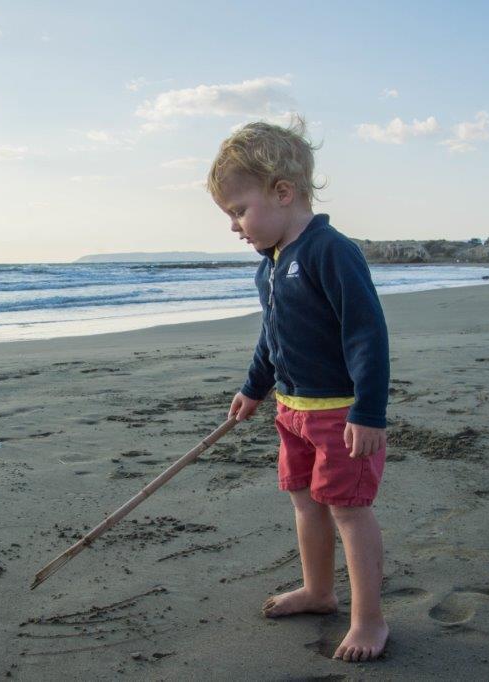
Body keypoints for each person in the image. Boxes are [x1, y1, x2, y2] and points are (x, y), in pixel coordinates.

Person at [207, 119, 390, 662]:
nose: (235, 226)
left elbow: (366, 332)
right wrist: (254, 388)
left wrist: (369, 410)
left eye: (239, 210)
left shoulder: (330, 251)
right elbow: (273, 335)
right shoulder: (270, 266)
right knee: (305, 502)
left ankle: (369, 620)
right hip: (292, 410)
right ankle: (318, 591)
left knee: (349, 510)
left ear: (282, 192)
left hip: (340, 414)